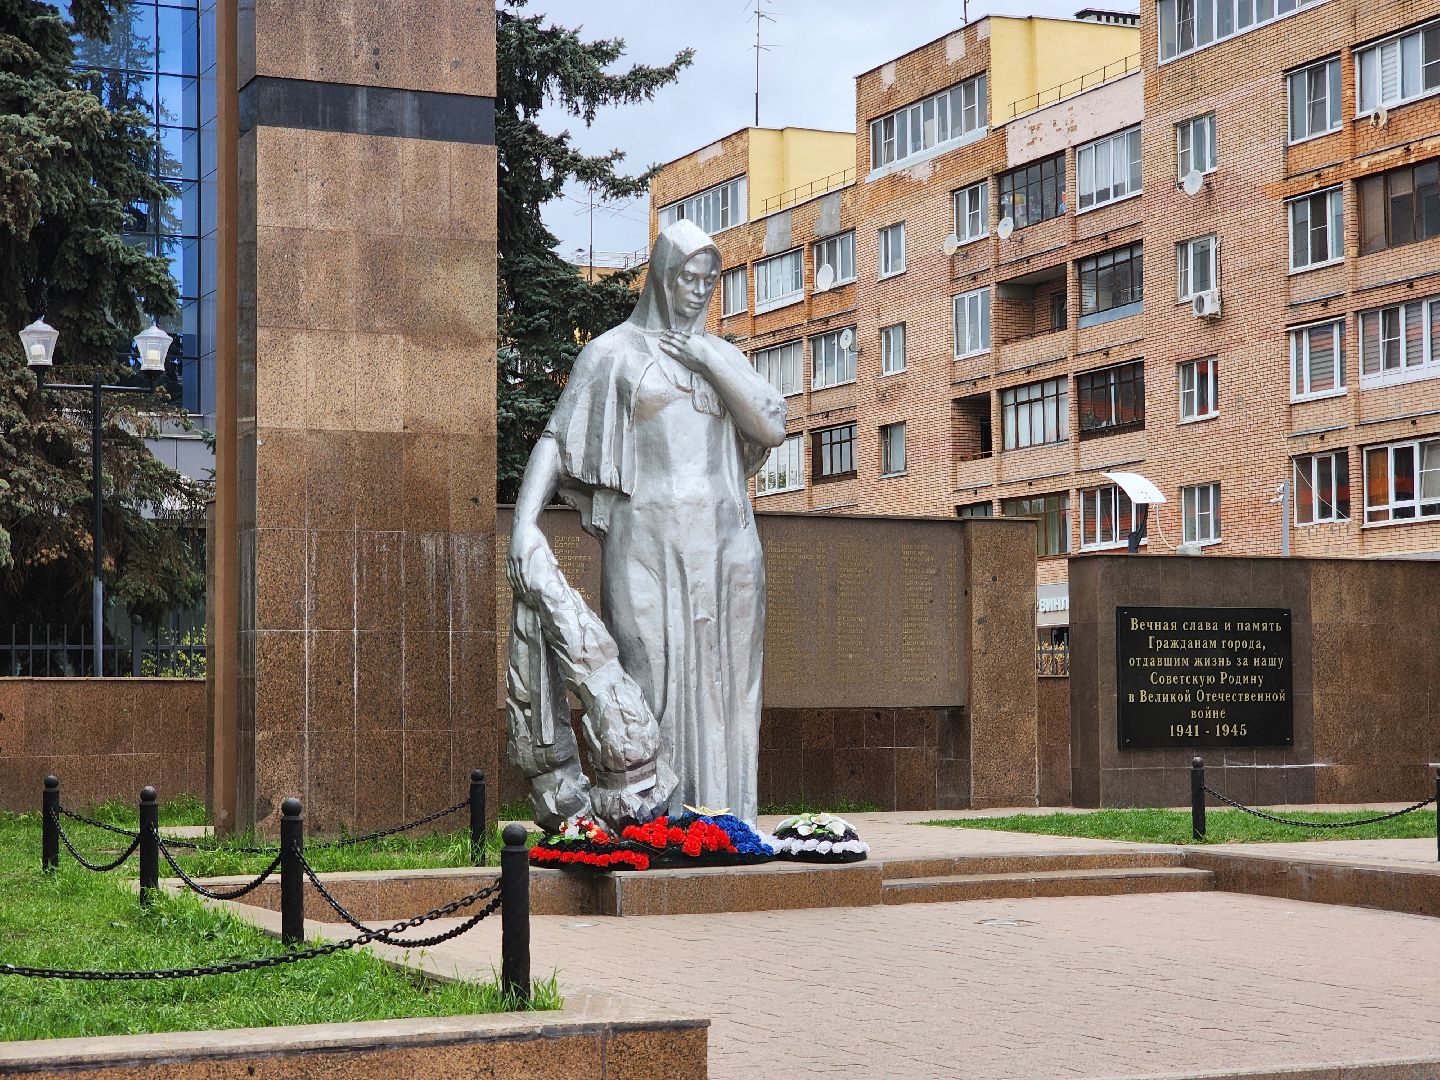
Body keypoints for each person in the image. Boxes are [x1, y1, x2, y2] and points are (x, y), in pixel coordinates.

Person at [506, 220, 786, 828]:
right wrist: (525, 524)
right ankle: (658, 825)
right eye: (688, 276)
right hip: (649, 542)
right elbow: (556, 438)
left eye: (710, 278)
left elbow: (771, 425)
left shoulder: (723, 356)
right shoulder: (612, 354)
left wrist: (709, 357)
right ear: (662, 276)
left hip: (727, 544)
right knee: (649, 682)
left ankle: (727, 825)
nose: (700, 289)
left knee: (729, 689)